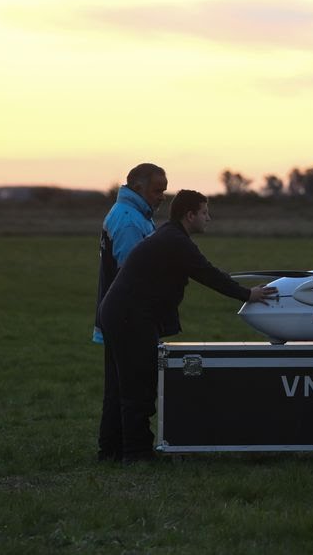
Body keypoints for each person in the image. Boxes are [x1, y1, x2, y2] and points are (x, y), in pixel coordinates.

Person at [97, 190, 278, 463]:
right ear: (189, 215)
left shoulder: (170, 236)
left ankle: (112, 451)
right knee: (139, 389)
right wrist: (247, 294)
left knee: (125, 387)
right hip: (129, 317)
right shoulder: (176, 241)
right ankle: (136, 454)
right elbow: (208, 274)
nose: (209, 218)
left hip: (120, 313)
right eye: (204, 213)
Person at [93, 163, 168, 344]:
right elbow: (131, 277)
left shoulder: (134, 214)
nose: (162, 197)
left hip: (125, 319)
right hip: (129, 322)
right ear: (138, 188)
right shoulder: (130, 221)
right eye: (157, 191)